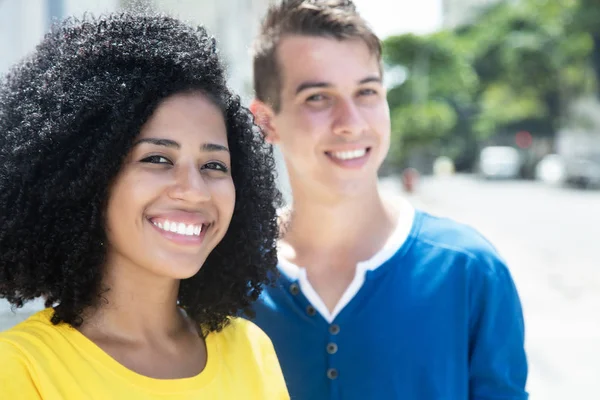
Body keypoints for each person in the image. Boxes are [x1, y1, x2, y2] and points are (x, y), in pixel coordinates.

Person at [247, 1, 528, 399]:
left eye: (366, 92)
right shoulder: (227, 276)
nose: (352, 122)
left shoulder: (469, 270)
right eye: (318, 98)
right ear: (266, 122)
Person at [0, 13, 288, 399]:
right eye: (157, 159)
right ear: (85, 175)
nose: (195, 190)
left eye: (214, 165)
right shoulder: (20, 367)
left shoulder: (251, 350)